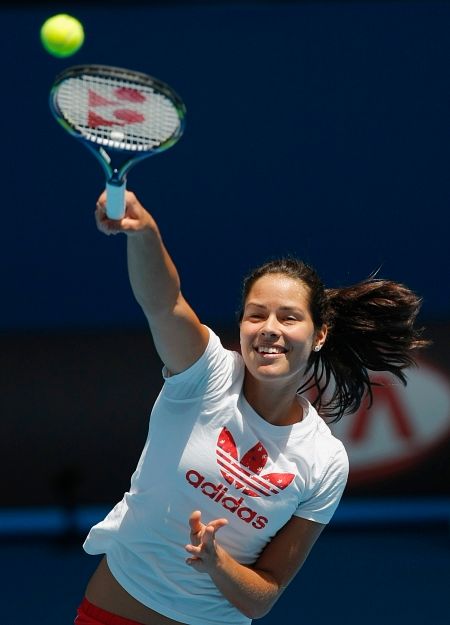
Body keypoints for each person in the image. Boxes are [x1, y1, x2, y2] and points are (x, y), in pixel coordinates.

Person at [75, 190, 429, 625]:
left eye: (289, 317)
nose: (269, 329)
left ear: (319, 335)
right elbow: (164, 302)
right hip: (110, 613)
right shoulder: (205, 375)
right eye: (256, 315)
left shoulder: (324, 460)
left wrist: (216, 562)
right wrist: (144, 233)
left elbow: (263, 596)